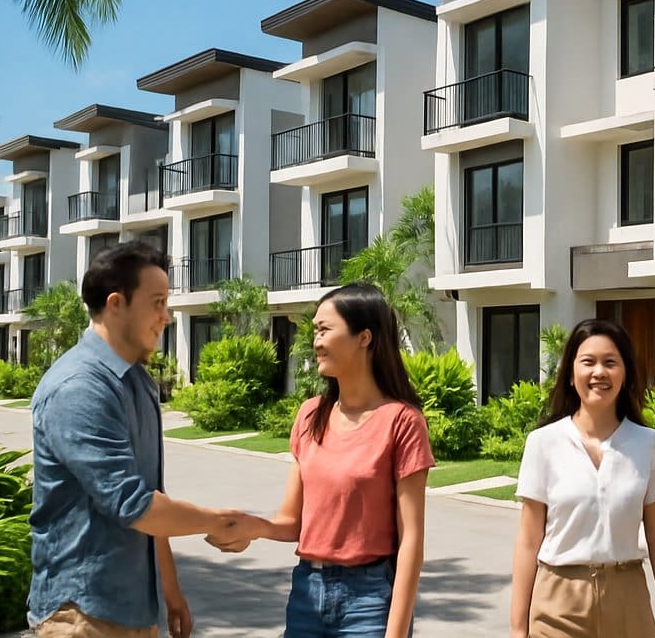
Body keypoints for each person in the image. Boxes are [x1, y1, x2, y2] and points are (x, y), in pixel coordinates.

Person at [29, 241, 249, 638]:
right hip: (80, 615)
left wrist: (171, 592)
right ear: (116, 304)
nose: (165, 316)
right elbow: (133, 506)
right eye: (157, 302)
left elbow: (151, 499)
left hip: (132, 611)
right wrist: (223, 521)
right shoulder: (79, 387)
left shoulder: (137, 381)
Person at [208, 285, 434, 638]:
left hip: (370, 600)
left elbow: (411, 542)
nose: (315, 341)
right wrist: (254, 527)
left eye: (324, 330)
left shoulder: (402, 422)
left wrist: (395, 632)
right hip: (307, 594)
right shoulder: (311, 414)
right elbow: (292, 522)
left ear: (364, 337)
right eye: (314, 330)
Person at [509, 319, 655, 638]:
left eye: (610, 362)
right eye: (588, 362)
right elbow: (528, 540)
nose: (599, 372)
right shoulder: (543, 443)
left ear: (625, 373)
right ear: (571, 376)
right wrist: (518, 629)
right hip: (557, 601)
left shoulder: (649, 444)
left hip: (628, 599)